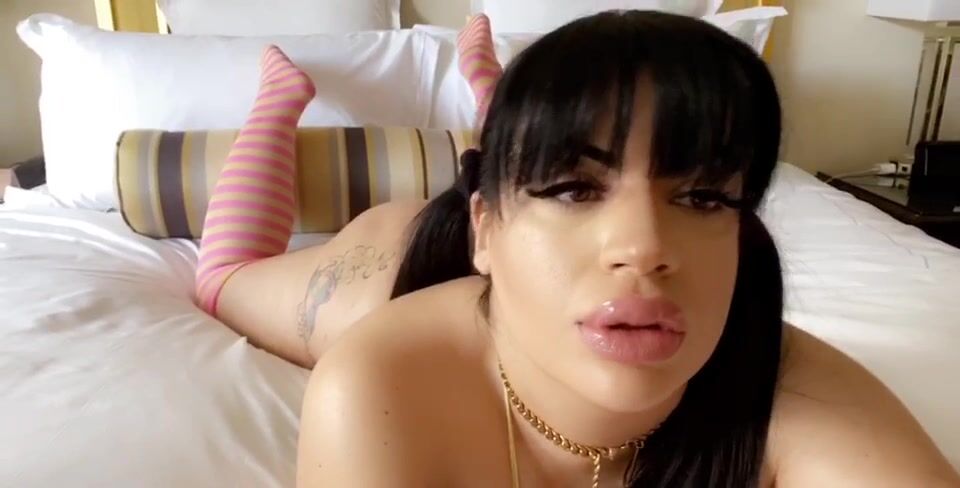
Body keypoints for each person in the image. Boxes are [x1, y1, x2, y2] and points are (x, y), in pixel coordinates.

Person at [193, 11, 960, 488]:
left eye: (701, 196)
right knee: (223, 278)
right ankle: (280, 104)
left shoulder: (792, 391)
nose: (644, 249)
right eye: (572, 187)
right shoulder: (378, 378)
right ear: (486, 226)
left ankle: (497, 98)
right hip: (401, 259)